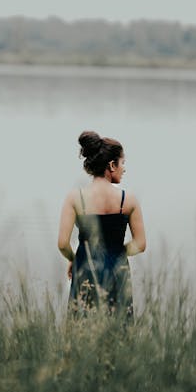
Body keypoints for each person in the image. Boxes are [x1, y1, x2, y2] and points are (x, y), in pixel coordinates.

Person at [58, 130, 146, 317]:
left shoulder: (75, 198)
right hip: (117, 270)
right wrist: (117, 253)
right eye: (122, 163)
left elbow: (62, 244)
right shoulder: (128, 200)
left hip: (85, 268)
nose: (124, 168)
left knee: (82, 324)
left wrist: (74, 259)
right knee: (118, 327)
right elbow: (140, 244)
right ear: (111, 165)